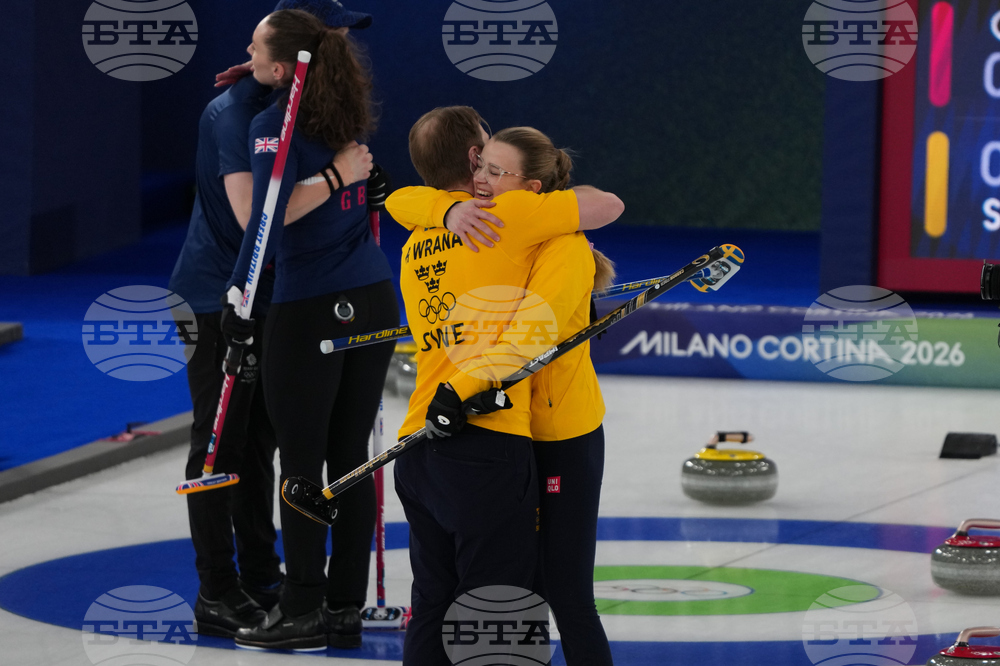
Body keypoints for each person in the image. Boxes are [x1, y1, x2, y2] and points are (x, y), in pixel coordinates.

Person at [385, 106, 624, 665]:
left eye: (500, 167)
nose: (488, 176)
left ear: (532, 187)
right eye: (484, 161)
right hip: (489, 434)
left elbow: (399, 199)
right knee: (503, 604)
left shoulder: (419, 232)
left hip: (497, 432)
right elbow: (525, 335)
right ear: (472, 160)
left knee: (459, 599)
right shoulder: (496, 215)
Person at [168, 0, 374, 640]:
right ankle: (216, 591)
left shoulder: (304, 106)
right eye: (336, 34)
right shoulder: (241, 115)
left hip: (276, 296)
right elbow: (249, 220)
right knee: (221, 445)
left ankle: (261, 577)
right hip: (217, 295)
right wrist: (339, 177)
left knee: (264, 444)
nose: (346, 45)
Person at [225, 10, 398, 652]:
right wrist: (349, 177)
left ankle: (302, 607)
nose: (244, 49)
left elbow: (270, 218)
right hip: (373, 299)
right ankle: (343, 606)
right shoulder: (341, 113)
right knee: (348, 457)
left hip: (315, 304)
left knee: (302, 459)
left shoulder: (274, 124)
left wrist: (330, 179)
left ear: (281, 66)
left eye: (255, 44)